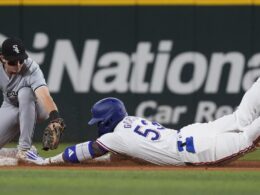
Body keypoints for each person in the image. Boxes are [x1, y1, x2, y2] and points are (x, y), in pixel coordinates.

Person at [27, 78, 260, 166]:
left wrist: (48, 162)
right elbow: (127, 151)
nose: (98, 126)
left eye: (99, 121)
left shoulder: (114, 137)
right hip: (196, 133)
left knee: (247, 137)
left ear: (108, 120)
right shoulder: (130, 122)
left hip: (197, 151)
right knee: (240, 118)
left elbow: (80, 152)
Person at [0, 37, 65, 161]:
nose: (18, 65)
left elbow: (44, 94)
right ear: (2, 58)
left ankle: (25, 149)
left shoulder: (31, 68)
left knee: (25, 91)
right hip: (11, 106)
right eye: (13, 62)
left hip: (37, 106)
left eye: (21, 60)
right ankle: (17, 153)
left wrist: (55, 118)